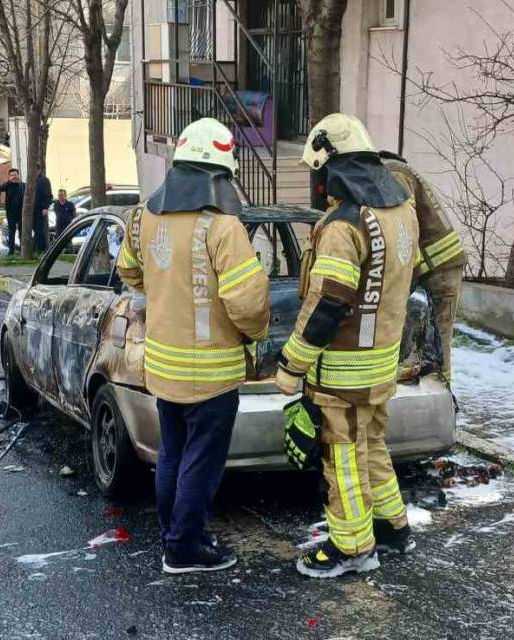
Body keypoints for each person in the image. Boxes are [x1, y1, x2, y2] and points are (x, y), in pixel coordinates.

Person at [115, 118, 270, 574]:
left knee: (173, 457)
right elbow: (247, 303)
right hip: (213, 372)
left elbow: (129, 271)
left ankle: (173, 538)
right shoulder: (222, 227)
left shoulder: (143, 215)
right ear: (219, 174)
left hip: (164, 367)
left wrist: (164, 291)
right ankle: (185, 548)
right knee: (201, 464)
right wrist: (256, 334)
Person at [277, 113, 419, 578]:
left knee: (343, 459)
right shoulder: (400, 211)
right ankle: (392, 526)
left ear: (331, 166)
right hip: (381, 364)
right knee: (372, 444)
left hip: (342, 372)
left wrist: (291, 363)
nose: (318, 184)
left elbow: (328, 305)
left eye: (318, 172)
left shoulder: (343, 225)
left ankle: (353, 548)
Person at [379, 152, 466, 382]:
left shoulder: (393, 175)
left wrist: (400, 280)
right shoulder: (398, 171)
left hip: (439, 269)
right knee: (429, 337)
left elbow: (405, 229)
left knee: (438, 337)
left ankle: (442, 393)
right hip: (436, 266)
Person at [2, 169, 25, 255]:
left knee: (22, 232)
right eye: (12, 175)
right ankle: (11, 250)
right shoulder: (7, 185)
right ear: (9, 177)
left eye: (15, 175)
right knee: (11, 232)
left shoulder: (23, 185)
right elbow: (0, 188)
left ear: (18, 175)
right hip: (11, 213)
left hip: (21, 213)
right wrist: (8, 182)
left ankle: (23, 250)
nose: (14, 177)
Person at [32, 172, 53, 254]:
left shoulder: (44, 180)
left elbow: (48, 195)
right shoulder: (32, 179)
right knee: (36, 229)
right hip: (33, 209)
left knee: (39, 229)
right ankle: (37, 248)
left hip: (40, 208)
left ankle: (40, 248)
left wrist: (45, 207)